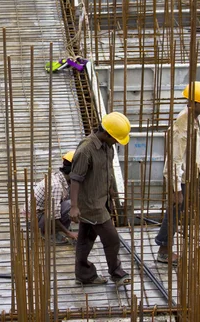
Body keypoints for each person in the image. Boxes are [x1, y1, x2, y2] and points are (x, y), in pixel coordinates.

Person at [155, 81, 200, 266]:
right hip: (182, 177)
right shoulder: (182, 126)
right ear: (192, 103)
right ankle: (163, 250)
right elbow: (174, 161)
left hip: (196, 173)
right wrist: (176, 189)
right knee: (175, 211)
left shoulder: (197, 118)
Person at [69, 112, 132, 286]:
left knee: (86, 240)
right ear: (107, 134)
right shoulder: (86, 150)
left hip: (101, 199)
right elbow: (75, 178)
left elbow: (106, 169)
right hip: (91, 205)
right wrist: (74, 206)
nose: (118, 142)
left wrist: (110, 187)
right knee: (111, 239)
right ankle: (117, 273)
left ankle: (84, 275)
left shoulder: (107, 146)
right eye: (116, 139)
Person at [27, 151, 78, 244]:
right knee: (71, 204)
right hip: (37, 220)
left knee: (73, 196)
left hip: (42, 214)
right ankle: (49, 233)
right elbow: (53, 215)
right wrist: (69, 233)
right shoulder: (56, 186)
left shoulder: (60, 177)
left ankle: (54, 230)